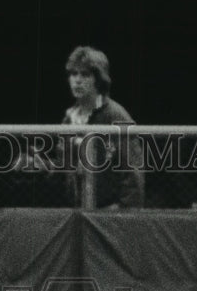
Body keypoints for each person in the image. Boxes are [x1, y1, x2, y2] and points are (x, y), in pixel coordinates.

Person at [61, 46, 145, 209]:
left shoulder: (116, 116)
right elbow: (64, 170)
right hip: (78, 212)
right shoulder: (68, 119)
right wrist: (42, 166)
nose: (77, 80)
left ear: (98, 79)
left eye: (85, 74)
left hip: (109, 215)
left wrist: (123, 211)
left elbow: (134, 173)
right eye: (73, 74)